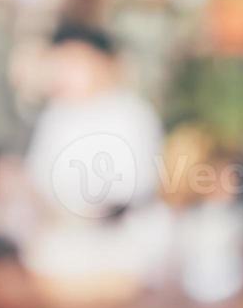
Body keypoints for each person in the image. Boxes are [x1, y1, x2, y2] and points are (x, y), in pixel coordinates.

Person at [24, 23, 164, 222]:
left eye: (74, 63)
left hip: (121, 232)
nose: (65, 73)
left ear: (103, 63)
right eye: (60, 63)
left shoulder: (132, 114)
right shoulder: (56, 114)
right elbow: (38, 177)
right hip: (61, 230)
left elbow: (139, 185)